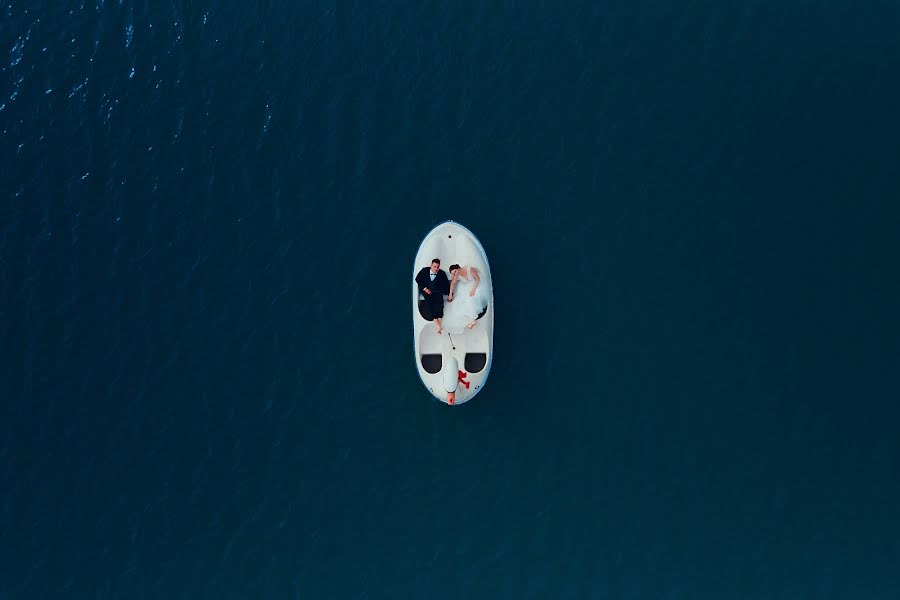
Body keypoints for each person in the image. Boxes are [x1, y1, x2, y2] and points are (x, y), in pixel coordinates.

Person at [447, 264, 488, 329]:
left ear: (458, 268)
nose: (455, 274)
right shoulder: (457, 275)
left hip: (477, 284)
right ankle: (472, 319)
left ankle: (473, 319)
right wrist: (450, 294)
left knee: (472, 298)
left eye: (455, 271)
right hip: (467, 286)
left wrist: (473, 289)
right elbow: (453, 284)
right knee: (462, 301)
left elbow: (477, 279)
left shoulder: (469, 269)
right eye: (453, 274)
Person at [415, 258, 450, 334]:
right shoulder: (424, 271)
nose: (436, 268)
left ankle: (439, 327)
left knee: (440, 305)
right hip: (427, 292)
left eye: (437, 267)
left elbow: (446, 285)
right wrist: (425, 288)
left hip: (437, 292)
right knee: (430, 304)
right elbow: (417, 279)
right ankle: (439, 327)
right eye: (434, 266)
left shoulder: (442, 273)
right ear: (431, 265)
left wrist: (450, 294)